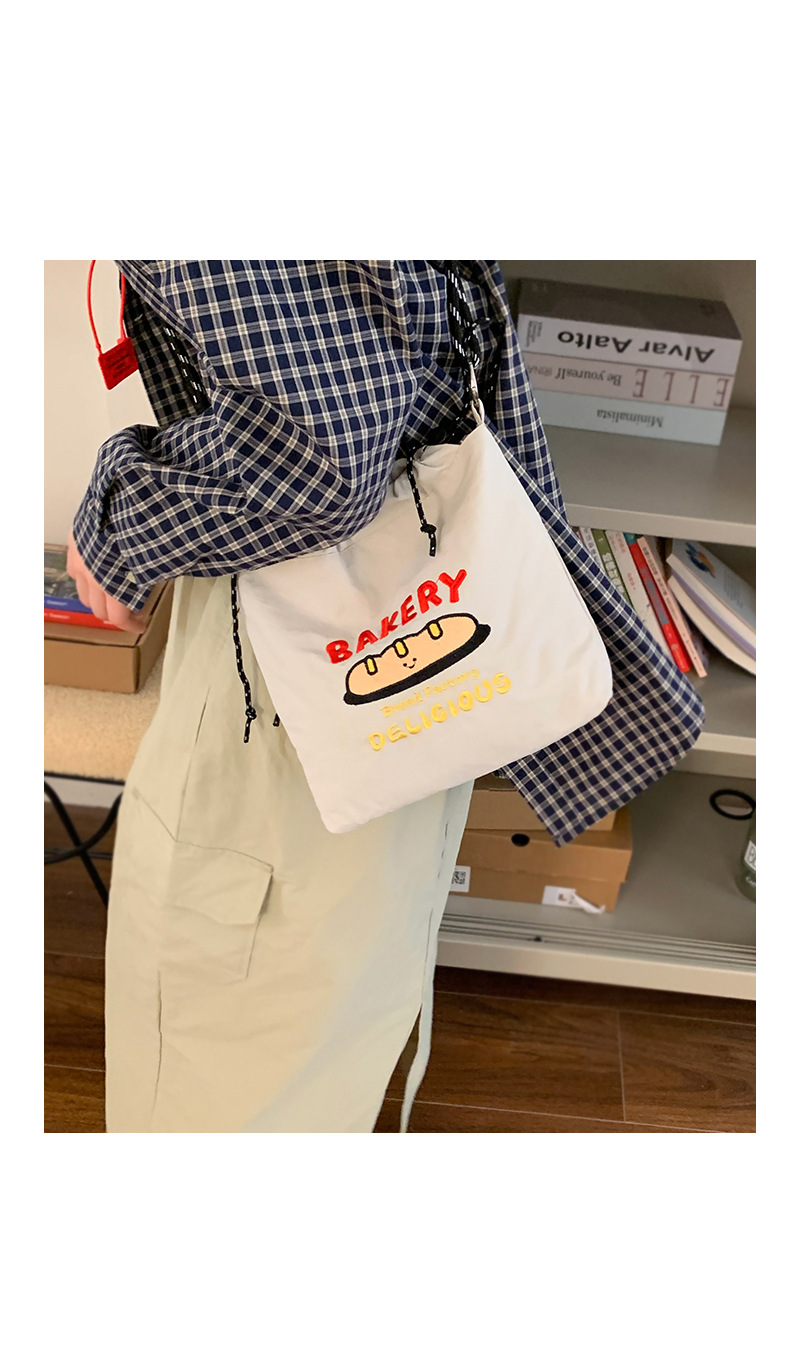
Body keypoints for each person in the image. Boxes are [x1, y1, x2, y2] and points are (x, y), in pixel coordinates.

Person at [68, 260, 704, 1133]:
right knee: (335, 994)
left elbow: (315, 461)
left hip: (294, 666)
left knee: (227, 1048)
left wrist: (116, 520)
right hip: (405, 613)